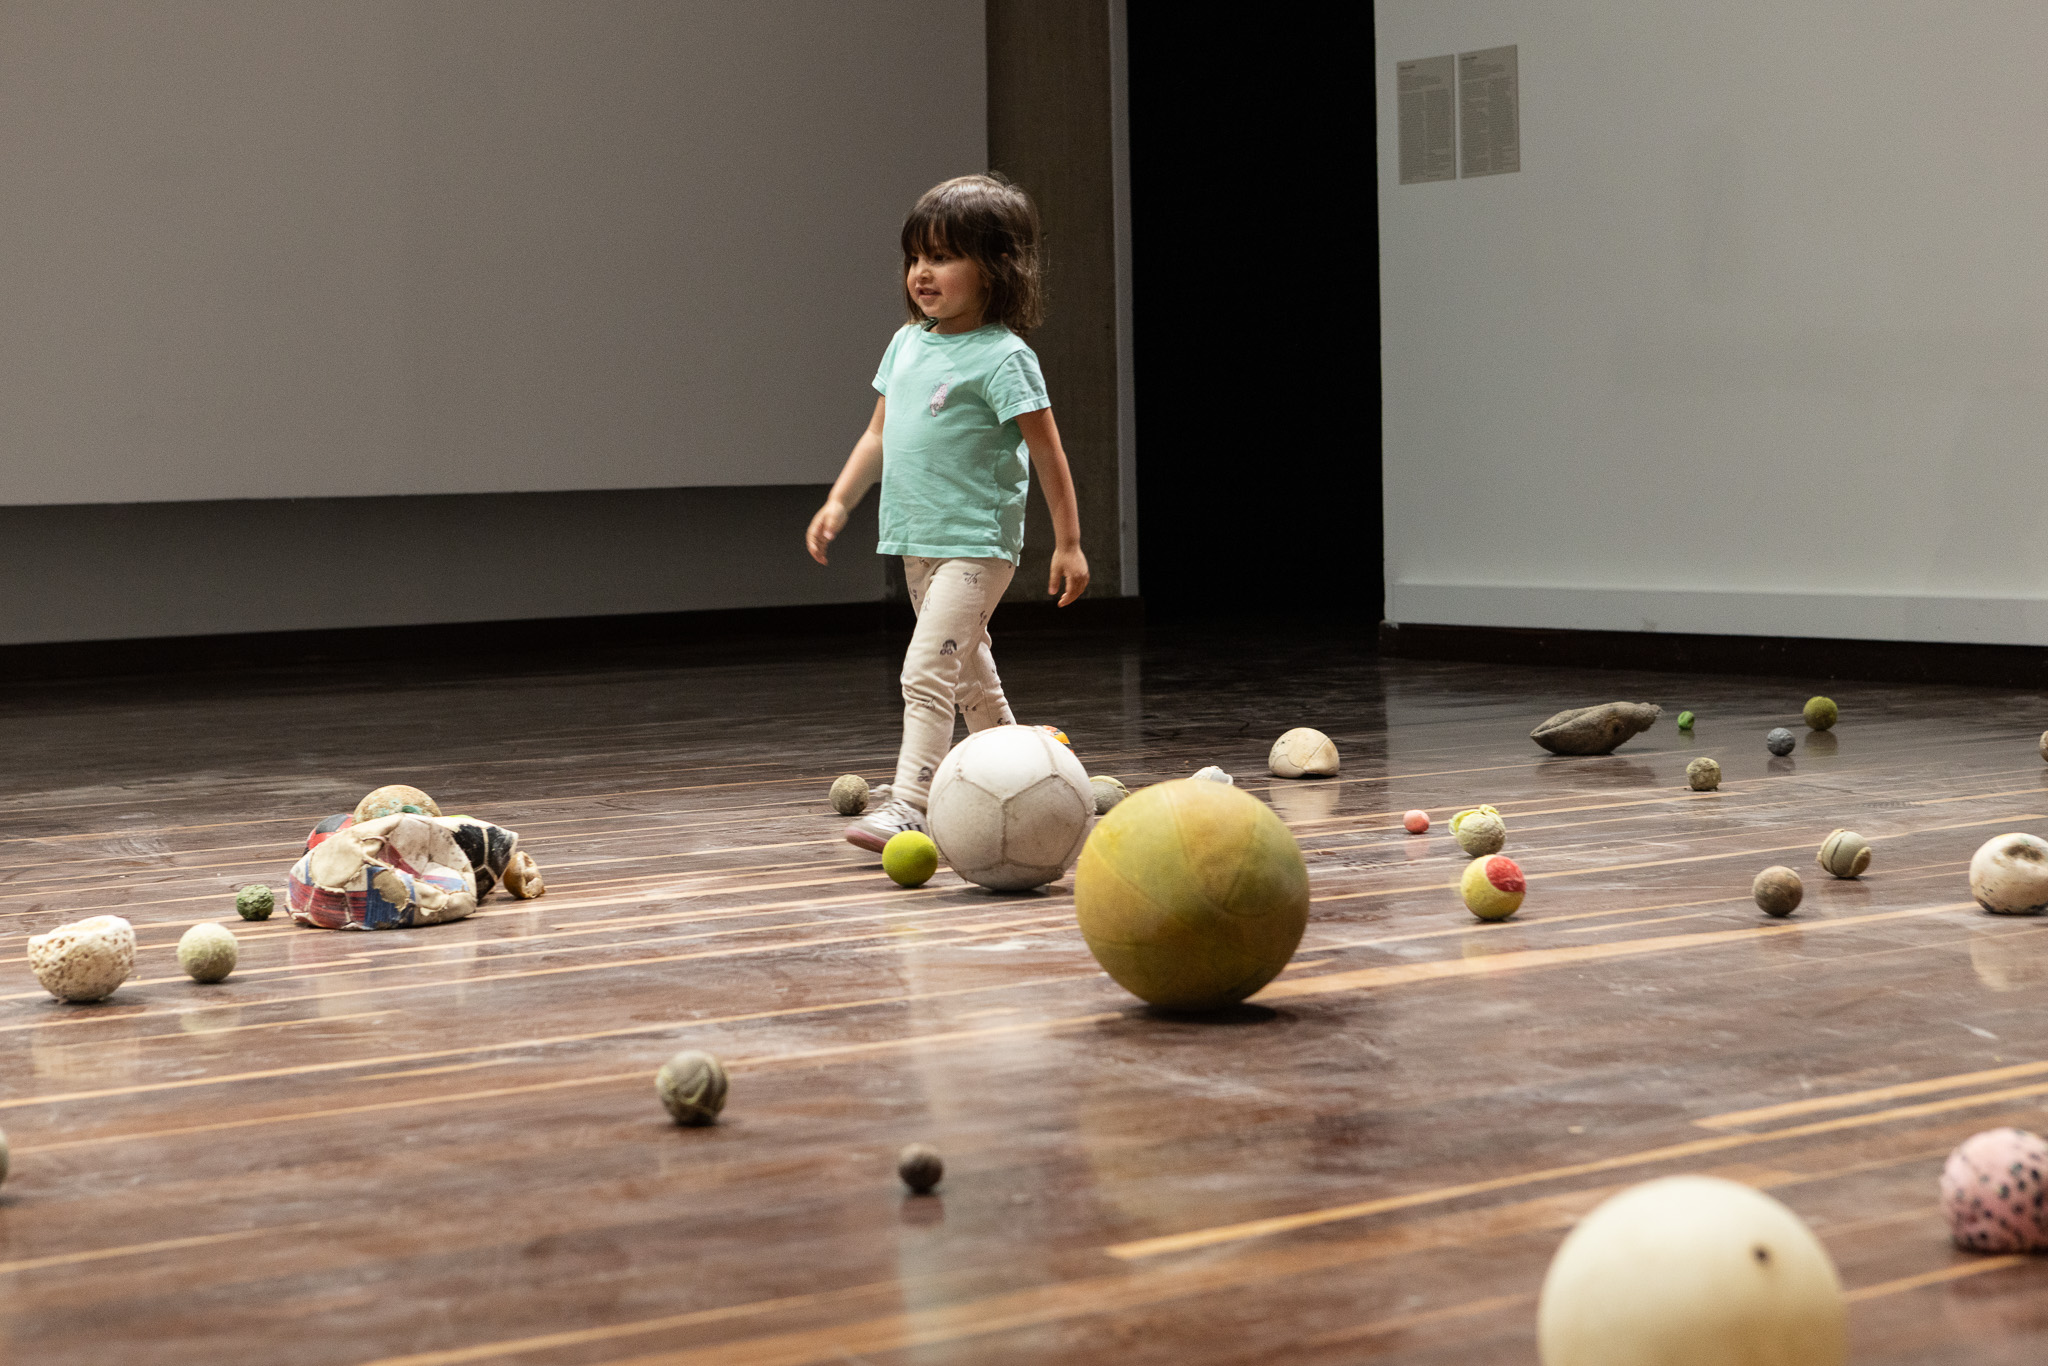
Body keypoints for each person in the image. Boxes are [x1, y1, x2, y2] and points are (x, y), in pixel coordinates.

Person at [806, 173, 1088, 852]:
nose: (922, 274)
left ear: (996, 269)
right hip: (917, 540)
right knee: (968, 673)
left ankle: (911, 803)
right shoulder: (907, 344)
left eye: (943, 257)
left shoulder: (1004, 358)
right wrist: (840, 500)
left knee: (927, 669)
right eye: (915, 258)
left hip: (976, 545)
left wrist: (1069, 542)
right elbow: (878, 432)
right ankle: (1028, 778)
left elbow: (1047, 452)